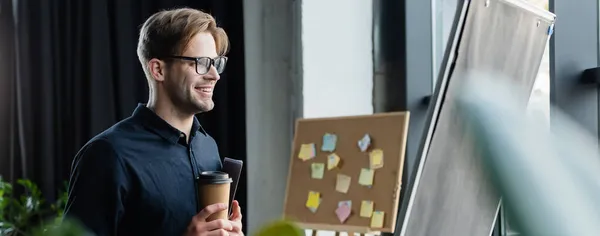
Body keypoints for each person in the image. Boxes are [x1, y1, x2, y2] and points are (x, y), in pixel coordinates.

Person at [63, 8, 243, 236]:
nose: (214, 76)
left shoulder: (208, 147)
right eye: (200, 62)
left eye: (216, 63)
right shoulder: (107, 154)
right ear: (158, 69)